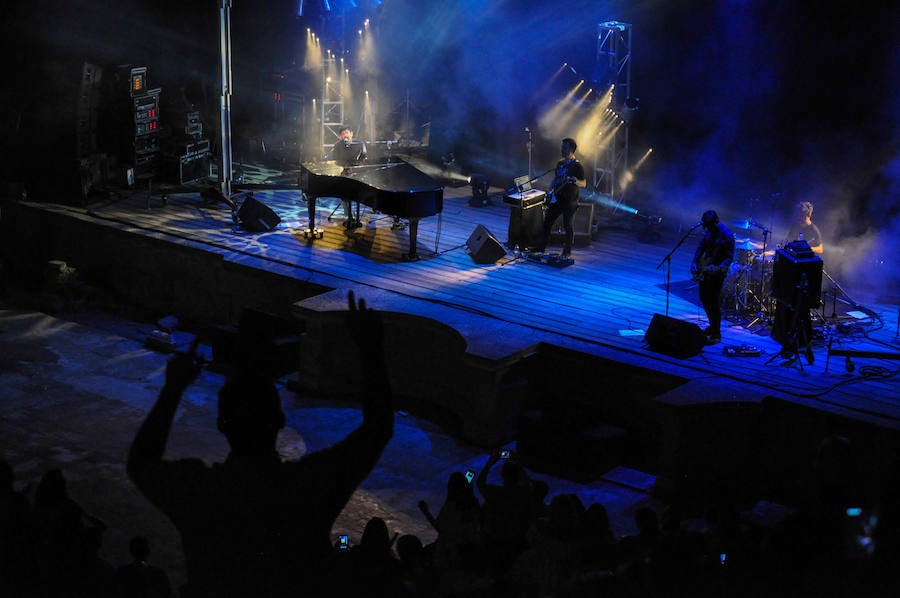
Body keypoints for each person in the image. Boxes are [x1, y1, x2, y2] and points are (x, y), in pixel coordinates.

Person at [127, 290, 393, 598]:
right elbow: (379, 427)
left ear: (221, 423)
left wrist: (173, 388)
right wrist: (371, 350)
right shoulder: (307, 487)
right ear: (280, 419)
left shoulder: (203, 493)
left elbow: (140, 463)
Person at [535, 137, 586, 260]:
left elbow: (584, 183)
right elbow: (556, 179)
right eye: (562, 147)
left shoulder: (577, 166)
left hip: (570, 200)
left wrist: (575, 180)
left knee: (568, 225)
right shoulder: (560, 164)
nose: (562, 149)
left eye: (565, 147)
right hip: (558, 198)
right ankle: (540, 249)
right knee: (547, 222)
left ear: (572, 149)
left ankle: (567, 252)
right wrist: (550, 190)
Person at [690, 210, 735, 345]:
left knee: (713, 302)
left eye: (710, 226)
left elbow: (729, 257)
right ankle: (712, 326)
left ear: (715, 222)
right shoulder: (709, 230)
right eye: (706, 226)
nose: (708, 228)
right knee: (704, 298)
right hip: (705, 270)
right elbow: (701, 246)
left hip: (717, 273)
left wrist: (718, 267)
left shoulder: (727, 235)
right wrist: (695, 261)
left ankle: (716, 333)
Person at [330, 127, 368, 228]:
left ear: (351, 133)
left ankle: (359, 212)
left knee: (360, 192)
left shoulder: (359, 143)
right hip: (343, 172)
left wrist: (358, 166)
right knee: (343, 193)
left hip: (357, 173)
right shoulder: (337, 145)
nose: (345, 135)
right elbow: (335, 159)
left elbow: (364, 156)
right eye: (342, 134)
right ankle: (349, 215)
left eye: (346, 133)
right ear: (340, 136)